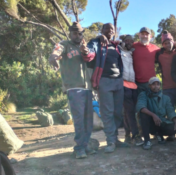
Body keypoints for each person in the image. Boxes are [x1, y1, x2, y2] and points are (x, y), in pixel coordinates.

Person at [49, 22, 97, 159]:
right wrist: (53, 57)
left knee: (88, 120)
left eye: (80, 33)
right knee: (79, 120)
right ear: (70, 33)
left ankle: (86, 145)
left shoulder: (85, 47)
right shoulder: (65, 45)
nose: (78, 35)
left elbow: (90, 58)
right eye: (75, 33)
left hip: (87, 89)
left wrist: (85, 50)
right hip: (74, 88)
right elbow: (56, 50)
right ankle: (79, 148)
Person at [80, 23, 129, 153]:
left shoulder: (115, 46)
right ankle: (110, 141)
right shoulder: (97, 42)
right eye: (107, 28)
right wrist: (86, 51)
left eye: (112, 29)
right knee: (107, 112)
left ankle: (116, 139)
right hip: (104, 81)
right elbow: (90, 52)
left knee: (118, 112)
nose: (110, 30)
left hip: (118, 81)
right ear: (102, 30)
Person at [136, 77, 176, 150]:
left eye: (158, 84)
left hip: (160, 121)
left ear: (160, 86)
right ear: (149, 86)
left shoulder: (166, 98)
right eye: (153, 84)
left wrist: (175, 122)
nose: (156, 86)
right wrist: (153, 115)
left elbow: (170, 110)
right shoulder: (143, 94)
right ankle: (147, 140)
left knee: (173, 128)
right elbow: (141, 107)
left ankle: (159, 134)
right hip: (149, 122)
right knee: (143, 114)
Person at [119, 35, 144, 146]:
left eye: (131, 41)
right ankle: (135, 136)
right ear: (123, 42)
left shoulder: (132, 53)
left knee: (130, 112)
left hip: (133, 84)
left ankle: (127, 135)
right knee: (129, 111)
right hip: (123, 84)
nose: (129, 43)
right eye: (127, 41)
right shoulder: (118, 50)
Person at [155, 30, 176, 107]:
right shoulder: (159, 55)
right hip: (166, 88)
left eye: (169, 42)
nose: (167, 45)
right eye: (165, 43)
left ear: (173, 42)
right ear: (163, 45)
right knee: (169, 111)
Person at [132, 27, 159, 94]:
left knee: (152, 104)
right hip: (136, 83)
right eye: (142, 34)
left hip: (151, 83)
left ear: (150, 36)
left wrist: (175, 46)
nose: (144, 36)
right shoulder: (133, 46)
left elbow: (166, 52)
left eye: (146, 34)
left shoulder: (155, 48)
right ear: (139, 35)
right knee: (138, 103)